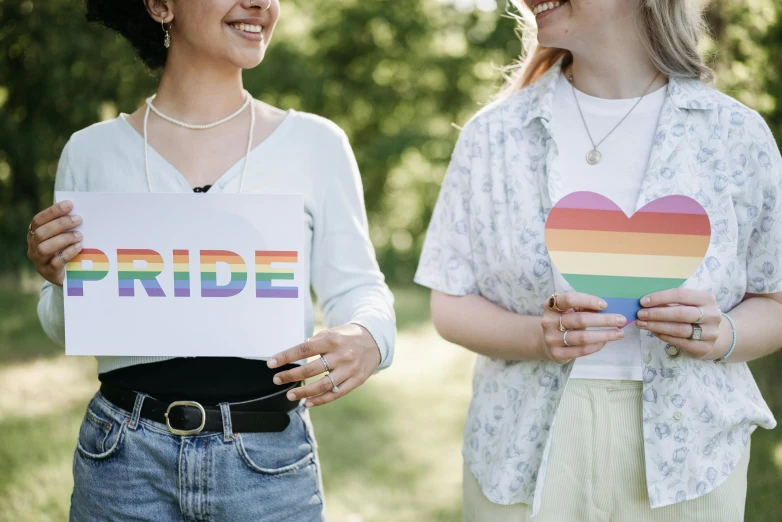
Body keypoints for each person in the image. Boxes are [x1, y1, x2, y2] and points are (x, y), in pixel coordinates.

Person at [26, 1, 395, 520]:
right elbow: (66, 328)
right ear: (158, 5)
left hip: (267, 466)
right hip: (121, 463)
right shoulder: (90, 153)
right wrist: (61, 281)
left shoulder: (316, 144)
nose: (260, 3)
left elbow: (360, 288)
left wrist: (371, 338)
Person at [415, 0, 781, 520]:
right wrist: (536, 338)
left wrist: (724, 334)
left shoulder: (736, 136)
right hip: (520, 453)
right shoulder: (492, 136)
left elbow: (775, 298)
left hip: (691, 461)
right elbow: (449, 302)